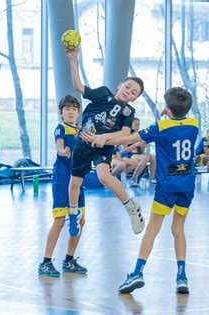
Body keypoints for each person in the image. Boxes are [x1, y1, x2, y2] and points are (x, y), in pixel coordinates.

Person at [83, 87, 198, 294]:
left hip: (167, 186)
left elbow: (129, 138)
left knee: (152, 229)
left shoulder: (160, 127)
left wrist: (103, 139)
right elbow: (165, 131)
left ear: (166, 109)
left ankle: (137, 272)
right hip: (187, 184)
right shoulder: (194, 124)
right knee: (178, 229)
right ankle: (182, 276)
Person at [65, 47, 145, 236]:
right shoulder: (103, 93)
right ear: (120, 85)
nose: (129, 92)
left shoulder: (128, 113)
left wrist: (104, 138)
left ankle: (131, 207)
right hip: (83, 144)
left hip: (104, 146)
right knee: (75, 182)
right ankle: (73, 212)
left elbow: (124, 133)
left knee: (104, 176)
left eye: (133, 92)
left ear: (135, 98)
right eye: (128, 87)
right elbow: (78, 86)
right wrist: (73, 60)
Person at [38, 95, 87, 277]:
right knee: (59, 221)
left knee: (80, 221)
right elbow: (59, 147)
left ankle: (69, 260)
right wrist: (63, 151)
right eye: (67, 109)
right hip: (62, 179)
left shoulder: (82, 130)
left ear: (78, 112)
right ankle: (45, 262)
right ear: (61, 113)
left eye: (74, 108)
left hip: (78, 180)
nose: (71, 111)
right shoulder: (61, 128)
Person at [121, 117, 157, 187]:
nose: (138, 127)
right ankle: (134, 178)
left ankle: (152, 177)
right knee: (145, 158)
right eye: (136, 125)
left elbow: (141, 151)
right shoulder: (126, 135)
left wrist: (143, 146)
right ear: (130, 125)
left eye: (139, 125)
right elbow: (124, 151)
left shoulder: (139, 135)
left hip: (138, 155)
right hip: (128, 155)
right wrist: (135, 145)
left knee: (153, 157)